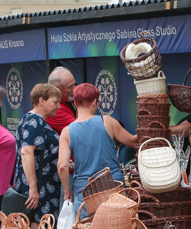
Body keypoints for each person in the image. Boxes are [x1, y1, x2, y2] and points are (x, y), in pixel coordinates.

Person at [58, 83, 137, 218]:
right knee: (119, 227)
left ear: (75, 103)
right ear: (95, 102)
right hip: (113, 184)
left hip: (85, 189)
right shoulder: (107, 121)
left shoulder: (67, 132)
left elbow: (62, 166)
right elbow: (133, 141)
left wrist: (67, 191)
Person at [10, 84, 62, 229]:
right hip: (40, 188)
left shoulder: (30, 119)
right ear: (41, 100)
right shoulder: (35, 121)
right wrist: (33, 187)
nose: (58, 106)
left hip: (41, 186)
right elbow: (26, 152)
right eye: (55, 102)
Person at [46, 67, 77, 135]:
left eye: (74, 84)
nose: (74, 89)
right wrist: (81, 105)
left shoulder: (66, 100)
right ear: (57, 89)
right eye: (70, 87)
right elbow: (80, 129)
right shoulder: (54, 108)